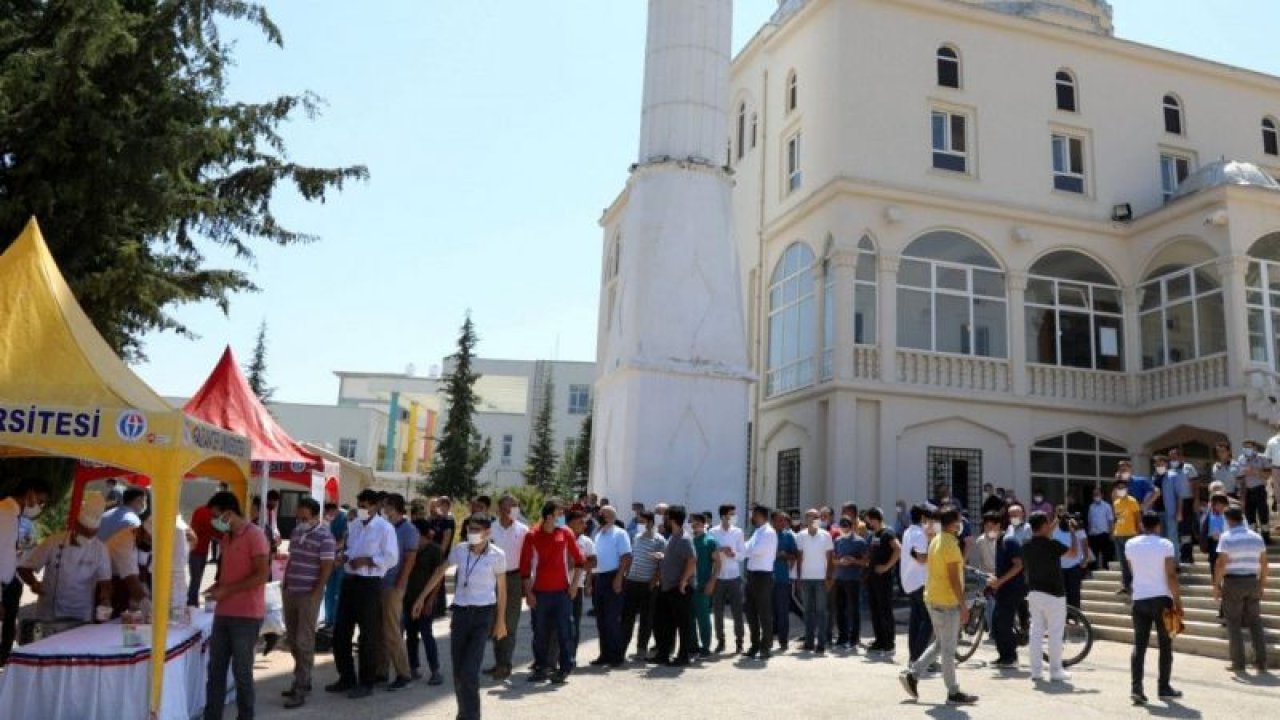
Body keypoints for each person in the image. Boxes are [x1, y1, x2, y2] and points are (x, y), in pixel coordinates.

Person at [413, 514, 508, 720]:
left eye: (476, 530)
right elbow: (440, 571)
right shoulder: (460, 550)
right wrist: (422, 598)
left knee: (470, 671)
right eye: (469, 529)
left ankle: (472, 716)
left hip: (483, 616)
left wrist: (500, 621)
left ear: (487, 532)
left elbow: (502, 590)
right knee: (458, 672)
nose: (472, 533)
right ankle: (463, 713)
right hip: (461, 614)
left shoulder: (497, 555)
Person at [202, 491, 270, 720]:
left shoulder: (256, 535)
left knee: (241, 672)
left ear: (229, 513)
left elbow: (261, 575)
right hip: (223, 613)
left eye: (216, 516)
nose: (215, 521)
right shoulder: (227, 537)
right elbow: (230, 574)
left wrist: (227, 590)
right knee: (215, 670)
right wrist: (217, 587)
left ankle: (245, 716)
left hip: (246, 616)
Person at [899, 509, 977, 705]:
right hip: (946, 602)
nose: (961, 524)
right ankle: (953, 692)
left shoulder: (936, 539)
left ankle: (913, 674)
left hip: (934, 598)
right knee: (948, 650)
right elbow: (953, 578)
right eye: (959, 521)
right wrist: (963, 606)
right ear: (953, 523)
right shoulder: (950, 544)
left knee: (940, 644)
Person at [327, 489, 400, 699]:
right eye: (360, 505)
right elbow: (352, 549)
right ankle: (346, 677)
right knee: (341, 632)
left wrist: (368, 561)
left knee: (368, 635)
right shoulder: (355, 525)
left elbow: (391, 557)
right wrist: (343, 556)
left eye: (366, 506)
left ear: (376, 506)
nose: (362, 509)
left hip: (369, 584)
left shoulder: (385, 528)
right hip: (349, 581)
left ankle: (366, 682)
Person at [17, 490, 112, 624]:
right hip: (49, 613)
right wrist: (33, 583)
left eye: (92, 535)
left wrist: (105, 599)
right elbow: (24, 567)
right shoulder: (53, 542)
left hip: (81, 614)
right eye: (85, 533)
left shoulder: (100, 549)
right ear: (76, 525)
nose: (88, 538)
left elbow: (105, 582)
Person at [520, 499, 585, 684]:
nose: (562, 517)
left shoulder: (565, 533)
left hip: (562, 593)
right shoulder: (531, 536)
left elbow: (580, 561)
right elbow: (525, 569)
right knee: (540, 633)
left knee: (565, 631)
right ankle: (541, 667)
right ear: (548, 516)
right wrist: (529, 593)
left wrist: (573, 586)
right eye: (559, 514)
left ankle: (564, 668)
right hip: (539, 593)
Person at [278, 498, 335, 708]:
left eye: (304, 517)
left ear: (314, 516)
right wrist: (285, 583)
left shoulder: (325, 537)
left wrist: (317, 592)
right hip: (291, 591)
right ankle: (303, 679)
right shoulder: (296, 532)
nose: (300, 520)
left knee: (304, 641)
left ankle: (300, 687)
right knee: (292, 639)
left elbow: (327, 566)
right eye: (298, 516)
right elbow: (293, 557)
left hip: (309, 595)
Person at [1126, 512, 1182, 705]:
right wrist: (1178, 602)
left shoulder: (1130, 544)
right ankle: (1163, 686)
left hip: (1140, 598)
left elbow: (1133, 571)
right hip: (1163, 599)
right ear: (1158, 526)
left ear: (1142, 525)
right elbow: (1171, 575)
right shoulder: (1166, 545)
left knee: (1139, 645)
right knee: (1166, 645)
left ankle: (1136, 689)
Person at [1023, 511, 1080, 683]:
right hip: (1054, 594)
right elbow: (1073, 553)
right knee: (1055, 633)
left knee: (1036, 633)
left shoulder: (1026, 545)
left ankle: (1036, 671)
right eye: (1048, 523)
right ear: (1043, 526)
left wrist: (1055, 520)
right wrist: (1073, 533)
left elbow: (1043, 533)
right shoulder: (1052, 544)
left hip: (1034, 593)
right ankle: (1055, 671)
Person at [0, 478, 50, 666]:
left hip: (10, 583)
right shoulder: (4, 514)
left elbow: (13, 557)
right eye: (41, 501)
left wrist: (31, 582)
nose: (40, 507)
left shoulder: (15, 516)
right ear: (30, 494)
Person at [1214, 506, 1269, 673]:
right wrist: (1262, 585)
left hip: (1233, 582)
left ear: (1229, 520)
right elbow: (1264, 564)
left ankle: (1238, 663)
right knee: (1255, 622)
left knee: (1233, 623)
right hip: (1252, 581)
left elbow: (1221, 563)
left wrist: (1216, 585)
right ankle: (1261, 662)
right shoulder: (1256, 537)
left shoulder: (1226, 537)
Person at [379, 493, 419, 690]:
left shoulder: (408, 530)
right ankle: (382, 671)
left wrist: (400, 585)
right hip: (380, 583)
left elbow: (410, 559)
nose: (383, 509)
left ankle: (404, 673)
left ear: (394, 507)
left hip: (394, 586)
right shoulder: (387, 527)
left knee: (393, 630)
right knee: (381, 630)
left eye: (386, 505)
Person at [486, 494, 528, 679]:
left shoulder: (523, 530)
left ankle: (505, 664)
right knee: (494, 621)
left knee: (509, 622)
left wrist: (528, 583)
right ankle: (499, 662)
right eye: (510, 506)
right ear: (501, 509)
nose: (513, 510)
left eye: (516, 506)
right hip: (491, 579)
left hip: (513, 579)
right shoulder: (490, 529)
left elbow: (530, 558)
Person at [650, 505, 696, 666]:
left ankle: (683, 656)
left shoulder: (684, 539)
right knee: (664, 622)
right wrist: (663, 556)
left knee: (682, 624)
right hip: (667, 587)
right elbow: (676, 557)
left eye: (666, 517)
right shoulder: (673, 537)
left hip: (679, 588)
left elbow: (692, 561)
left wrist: (683, 581)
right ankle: (663, 653)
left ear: (672, 519)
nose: (663, 520)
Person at [589, 505, 631, 667]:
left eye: (603, 514)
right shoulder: (598, 533)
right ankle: (604, 654)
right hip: (599, 578)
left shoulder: (620, 533)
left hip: (613, 576)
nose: (599, 516)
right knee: (601, 619)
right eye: (599, 514)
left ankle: (616, 655)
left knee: (612, 619)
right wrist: (590, 581)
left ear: (611, 517)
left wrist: (619, 578)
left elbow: (626, 557)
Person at [404, 515, 444, 685]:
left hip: (426, 600)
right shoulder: (410, 549)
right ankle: (414, 667)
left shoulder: (435, 550)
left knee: (427, 634)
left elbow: (439, 578)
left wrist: (430, 601)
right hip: (408, 598)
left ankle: (435, 670)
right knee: (411, 635)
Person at [621, 510, 665, 660]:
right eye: (638, 521)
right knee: (628, 617)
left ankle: (641, 650)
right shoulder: (637, 537)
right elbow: (633, 557)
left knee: (646, 619)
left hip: (648, 584)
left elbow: (661, 564)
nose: (639, 524)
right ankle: (621, 649)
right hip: (632, 581)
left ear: (651, 523)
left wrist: (654, 581)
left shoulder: (659, 540)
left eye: (642, 521)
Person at [984, 512, 1024, 668]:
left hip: (1013, 588)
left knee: (1003, 623)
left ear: (999, 525)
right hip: (1003, 589)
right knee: (996, 623)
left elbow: (1018, 565)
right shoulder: (998, 542)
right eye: (986, 526)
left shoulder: (1009, 541)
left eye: (991, 526)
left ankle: (1011, 657)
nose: (988, 529)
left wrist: (1000, 581)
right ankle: (1003, 656)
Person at [794, 508, 834, 654]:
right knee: (808, 612)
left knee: (821, 612)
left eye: (815, 517)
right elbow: (799, 558)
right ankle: (809, 642)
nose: (812, 520)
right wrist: (798, 578)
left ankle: (821, 644)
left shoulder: (826, 535)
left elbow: (830, 558)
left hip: (821, 579)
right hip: (805, 578)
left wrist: (829, 577)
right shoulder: (801, 536)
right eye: (809, 517)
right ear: (806, 520)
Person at [708, 504, 746, 655]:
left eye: (734, 514)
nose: (734, 516)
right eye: (731, 514)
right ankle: (720, 641)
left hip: (734, 576)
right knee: (717, 611)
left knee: (737, 611)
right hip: (718, 577)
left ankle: (739, 642)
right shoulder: (712, 532)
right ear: (723, 516)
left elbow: (743, 554)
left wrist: (733, 554)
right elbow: (709, 553)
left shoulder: (738, 532)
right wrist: (719, 550)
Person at [742, 505, 777, 660]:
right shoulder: (757, 531)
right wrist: (736, 551)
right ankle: (755, 644)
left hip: (763, 576)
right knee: (750, 612)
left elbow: (756, 550)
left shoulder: (769, 533)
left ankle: (766, 646)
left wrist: (742, 551)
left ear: (761, 515)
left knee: (764, 613)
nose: (752, 517)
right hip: (752, 575)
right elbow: (747, 547)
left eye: (754, 515)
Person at [864, 507, 900, 655]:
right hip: (872, 579)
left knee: (885, 611)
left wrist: (886, 567)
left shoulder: (888, 533)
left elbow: (898, 549)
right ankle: (879, 640)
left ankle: (889, 643)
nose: (868, 523)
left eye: (869, 520)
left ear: (875, 519)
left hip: (883, 579)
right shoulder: (875, 535)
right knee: (875, 610)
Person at [900, 504, 934, 663]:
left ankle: (913, 656)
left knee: (916, 621)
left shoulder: (908, 531)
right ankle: (919, 657)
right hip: (920, 582)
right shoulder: (919, 534)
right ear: (922, 518)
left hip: (909, 581)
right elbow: (921, 558)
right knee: (928, 621)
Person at [833, 516, 868, 649]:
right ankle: (843, 637)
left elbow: (865, 561)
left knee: (853, 610)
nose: (844, 528)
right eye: (842, 526)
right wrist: (840, 562)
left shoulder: (860, 542)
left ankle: (854, 639)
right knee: (840, 609)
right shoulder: (837, 540)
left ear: (852, 526)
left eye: (846, 526)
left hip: (853, 579)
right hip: (840, 578)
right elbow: (834, 560)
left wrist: (853, 561)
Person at [1052, 506, 1089, 611]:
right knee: (1062, 593)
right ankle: (1064, 614)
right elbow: (1048, 534)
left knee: (1074, 591)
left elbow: (1084, 542)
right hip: (1060, 566)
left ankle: (1075, 615)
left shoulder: (1077, 527)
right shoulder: (1055, 527)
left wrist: (1085, 558)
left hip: (1074, 565)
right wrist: (1057, 518)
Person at [1167, 448, 1200, 564]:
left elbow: (1195, 485)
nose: (1172, 460)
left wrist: (1196, 500)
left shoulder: (1188, 468)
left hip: (1187, 501)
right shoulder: (1169, 470)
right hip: (1173, 503)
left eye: (1174, 457)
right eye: (1170, 458)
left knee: (1186, 529)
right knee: (1176, 530)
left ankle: (1187, 555)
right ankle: (1178, 554)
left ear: (1181, 457)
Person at [1238, 440, 1271, 543]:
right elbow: (1240, 477)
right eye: (1245, 447)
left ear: (1255, 448)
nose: (1246, 450)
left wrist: (1255, 471)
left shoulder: (1262, 458)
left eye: (1249, 447)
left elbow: (1267, 475)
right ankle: (1253, 537)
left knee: (1263, 513)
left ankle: (1265, 537)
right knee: (1249, 515)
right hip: (1247, 490)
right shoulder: (1241, 459)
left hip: (1259, 489)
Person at [1112, 478, 1142, 595]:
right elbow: (1117, 518)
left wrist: (1138, 532)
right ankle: (1125, 585)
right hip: (1118, 534)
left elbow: (1138, 517)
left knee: (1133, 562)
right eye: (1118, 488)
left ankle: (1136, 585)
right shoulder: (1116, 502)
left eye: (1122, 487)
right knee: (1123, 562)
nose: (1120, 490)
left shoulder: (1132, 501)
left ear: (1127, 488)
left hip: (1130, 534)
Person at [322, 502, 348, 627]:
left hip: (340, 560)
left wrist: (331, 549)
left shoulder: (345, 518)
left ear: (336, 510)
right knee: (329, 592)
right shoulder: (326, 519)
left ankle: (337, 621)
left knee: (338, 591)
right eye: (326, 514)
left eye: (331, 513)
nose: (328, 516)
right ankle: (329, 620)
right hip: (330, 560)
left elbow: (345, 540)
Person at [1087, 487, 1115, 570]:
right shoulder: (1091, 507)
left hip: (1104, 535)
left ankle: (1107, 572)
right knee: (1093, 556)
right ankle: (1093, 573)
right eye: (1094, 494)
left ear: (1102, 495)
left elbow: (1110, 520)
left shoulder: (1107, 506)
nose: (1096, 496)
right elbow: (1090, 521)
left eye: (1097, 494)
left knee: (1107, 556)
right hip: (1093, 535)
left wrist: (1111, 533)